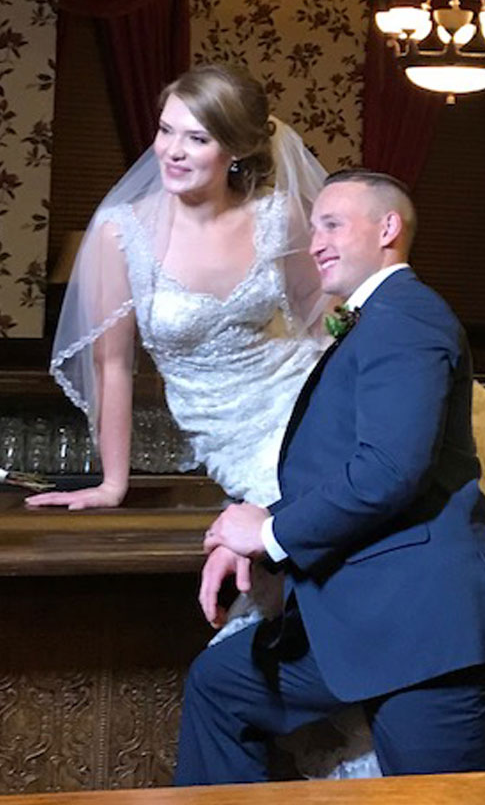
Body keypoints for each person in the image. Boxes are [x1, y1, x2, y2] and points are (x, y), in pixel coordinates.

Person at [175, 169, 485, 784]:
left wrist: (268, 535)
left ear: (389, 228)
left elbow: (390, 469)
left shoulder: (407, 317)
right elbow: (341, 466)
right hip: (361, 620)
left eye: (334, 224)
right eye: (314, 227)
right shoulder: (374, 320)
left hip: (427, 633)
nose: (316, 241)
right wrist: (262, 546)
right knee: (220, 685)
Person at [27, 63, 327, 512]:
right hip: (231, 442)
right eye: (166, 131)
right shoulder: (121, 234)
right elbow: (112, 364)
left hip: (310, 405)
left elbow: (327, 322)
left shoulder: (279, 218)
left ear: (237, 149)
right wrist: (113, 485)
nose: (172, 151)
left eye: (197, 138)